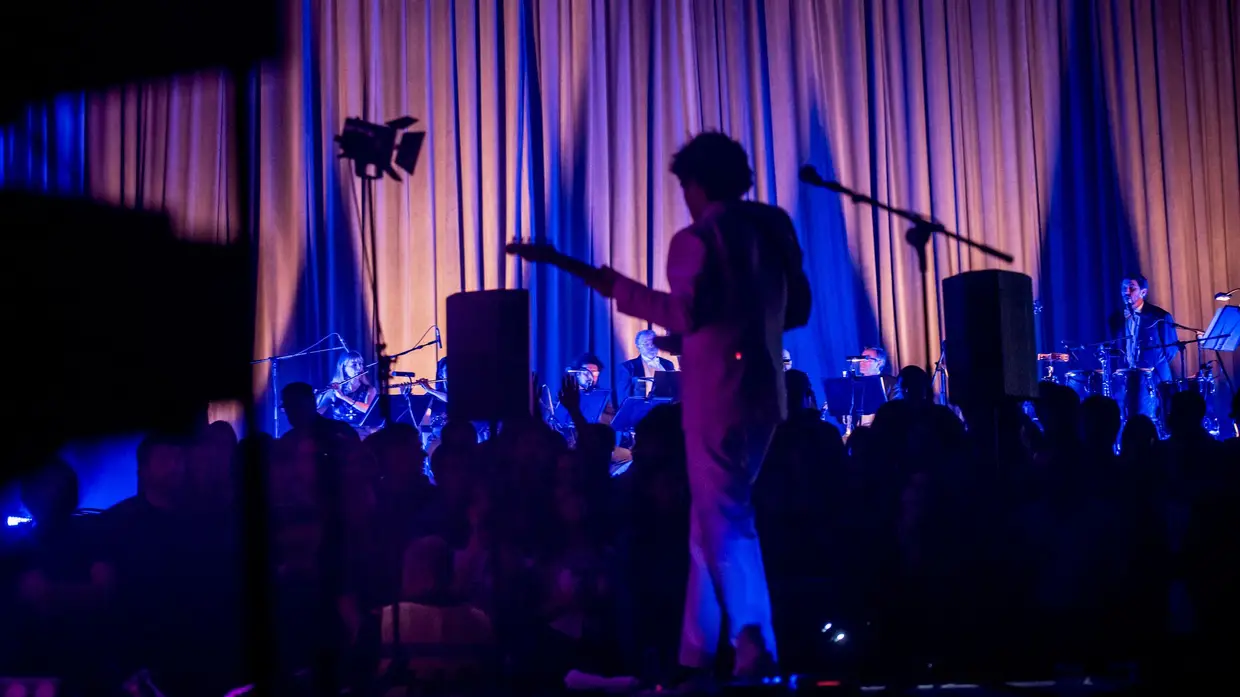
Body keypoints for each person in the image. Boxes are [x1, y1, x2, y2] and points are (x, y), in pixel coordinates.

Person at [508, 131, 811, 680]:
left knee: (726, 521)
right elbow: (795, 310)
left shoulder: (698, 238)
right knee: (708, 526)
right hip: (765, 395)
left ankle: (754, 650)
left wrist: (572, 267)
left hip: (716, 398)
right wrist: (724, 333)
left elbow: (682, 313)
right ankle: (692, 659)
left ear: (695, 183)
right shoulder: (773, 227)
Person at [317, 351, 379, 430]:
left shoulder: (369, 389)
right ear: (344, 368)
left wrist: (343, 397)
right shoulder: (334, 390)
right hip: (338, 432)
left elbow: (368, 409)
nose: (359, 368)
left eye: (360, 364)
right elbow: (319, 412)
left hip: (361, 431)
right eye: (354, 365)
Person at [617, 330, 677, 405]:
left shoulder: (668, 364)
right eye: (646, 344)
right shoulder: (628, 367)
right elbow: (623, 398)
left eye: (653, 343)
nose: (651, 347)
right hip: (642, 411)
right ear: (638, 346)